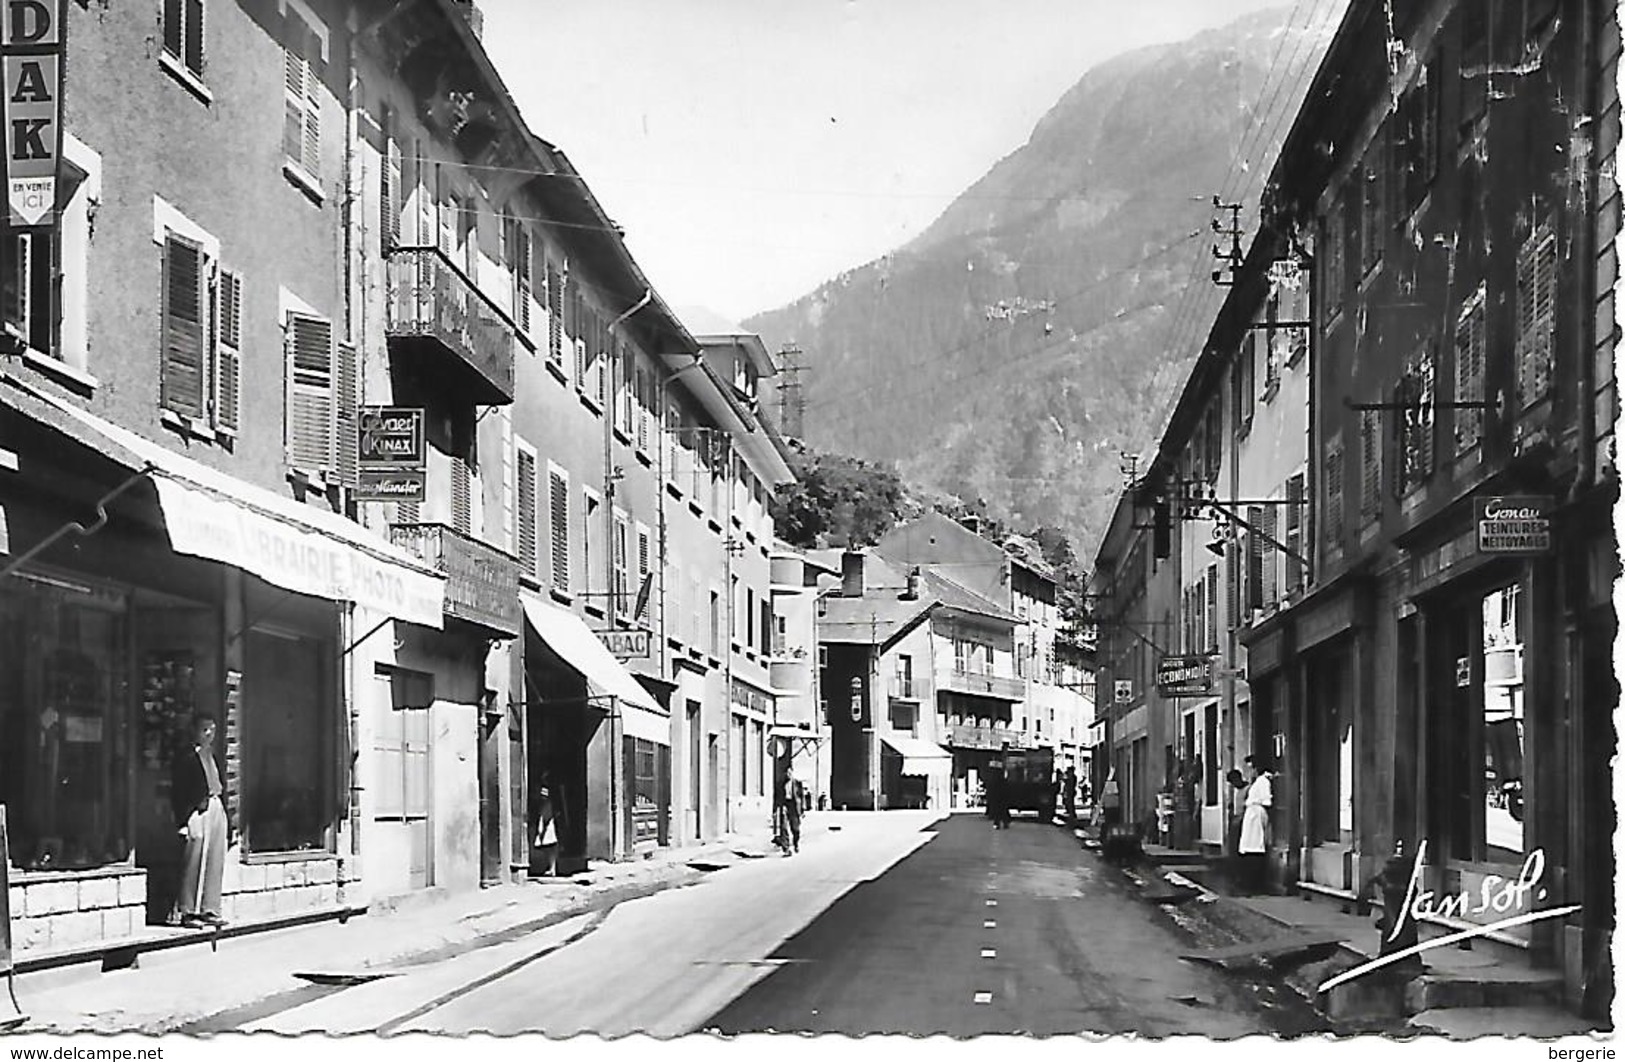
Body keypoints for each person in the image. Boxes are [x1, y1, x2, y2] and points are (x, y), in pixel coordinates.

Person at [170, 713, 228, 928]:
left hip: (215, 804)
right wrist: (182, 821)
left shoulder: (213, 754)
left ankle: (210, 908)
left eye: (212, 729)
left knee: (215, 857)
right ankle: (188, 911)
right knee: (194, 859)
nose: (209, 733)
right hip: (196, 809)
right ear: (194, 731)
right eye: (204, 729)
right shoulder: (185, 756)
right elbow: (177, 792)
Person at [1238, 755, 1274, 894]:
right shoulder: (1257, 782)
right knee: (1249, 846)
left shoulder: (1263, 781)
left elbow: (1267, 800)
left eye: (1251, 768)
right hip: (1252, 814)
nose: (1250, 771)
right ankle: (1249, 883)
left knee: (1255, 845)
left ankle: (1255, 884)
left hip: (1256, 815)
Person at [533, 781, 559, 876]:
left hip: (548, 828)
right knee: (549, 849)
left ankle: (552, 868)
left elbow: (546, 816)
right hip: (546, 828)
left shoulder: (547, 804)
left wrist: (542, 830)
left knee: (550, 848)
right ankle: (551, 867)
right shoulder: (544, 803)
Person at [777, 772, 805, 854]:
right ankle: (786, 848)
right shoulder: (780, 784)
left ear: (792, 773)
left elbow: (801, 796)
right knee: (784, 827)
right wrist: (776, 809)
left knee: (795, 829)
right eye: (786, 773)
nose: (787, 775)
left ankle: (796, 843)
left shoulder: (797, 783)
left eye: (789, 773)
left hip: (794, 807)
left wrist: (802, 809)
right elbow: (777, 796)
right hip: (785, 805)